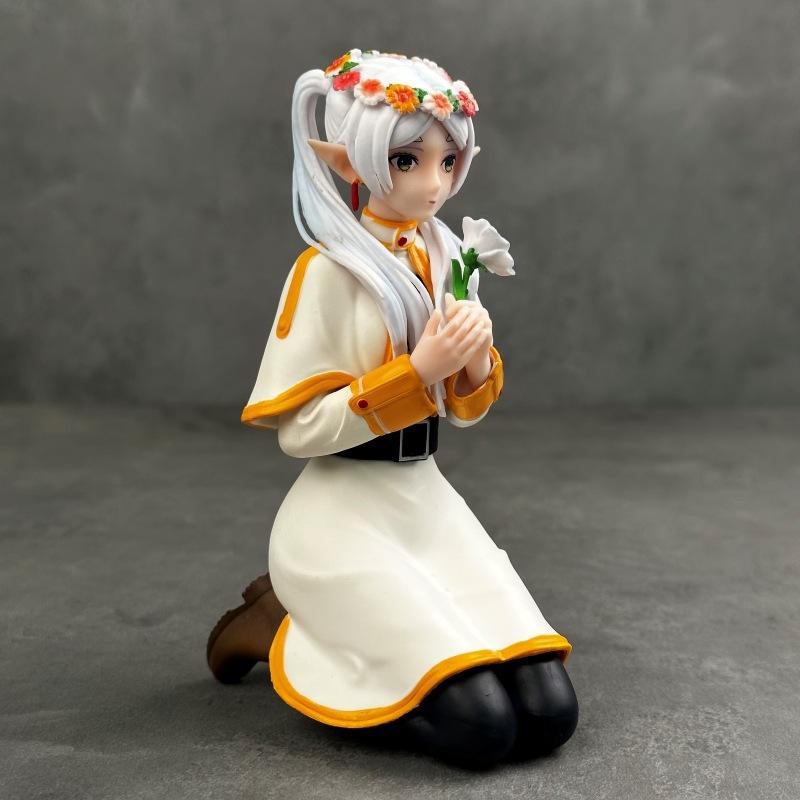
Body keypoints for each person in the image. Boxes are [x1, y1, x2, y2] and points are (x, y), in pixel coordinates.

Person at [206, 49, 578, 769]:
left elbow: (463, 413)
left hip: (423, 503)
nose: (433, 183)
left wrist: (473, 359)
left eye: (448, 161)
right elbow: (300, 430)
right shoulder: (327, 273)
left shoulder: (445, 255)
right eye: (408, 161)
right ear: (352, 161)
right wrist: (415, 373)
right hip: (340, 514)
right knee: (480, 730)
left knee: (547, 711)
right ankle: (277, 619)